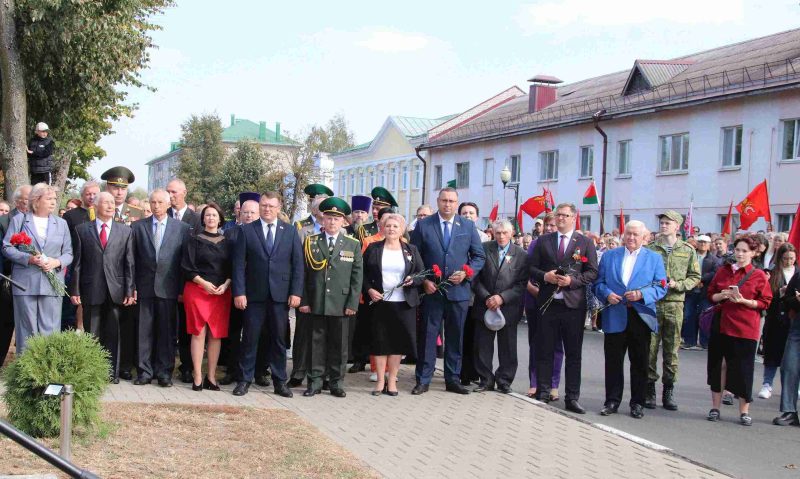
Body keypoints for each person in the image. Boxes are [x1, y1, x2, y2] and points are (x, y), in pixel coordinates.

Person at [410, 187, 485, 395]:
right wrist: (424, 280)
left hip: (458, 291)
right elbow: (414, 257)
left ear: (456, 202)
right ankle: (423, 379)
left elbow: (479, 257)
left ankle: (452, 379)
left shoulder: (468, 226)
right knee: (428, 336)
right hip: (432, 291)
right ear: (438, 201)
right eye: (444, 200)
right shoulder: (424, 225)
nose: (448, 204)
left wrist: (467, 273)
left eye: (452, 201)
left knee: (455, 337)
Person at [232, 192, 303, 398]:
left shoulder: (290, 232)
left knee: (279, 341)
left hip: (280, 297)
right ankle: (244, 380)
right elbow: (238, 265)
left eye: (271, 206)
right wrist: (239, 292)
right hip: (254, 295)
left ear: (278, 208)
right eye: (264, 205)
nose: (267, 209)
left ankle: (280, 382)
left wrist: (296, 292)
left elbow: (298, 265)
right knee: (250, 339)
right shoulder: (246, 231)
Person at [594, 221, 668, 418]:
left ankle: (637, 403)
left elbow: (661, 286)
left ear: (645, 237)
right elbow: (598, 283)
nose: (631, 238)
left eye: (636, 234)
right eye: (628, 234)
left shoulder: (654, 258)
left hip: (640, 316)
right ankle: (611, 401)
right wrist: (607, 293)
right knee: (613, 362)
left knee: (640, 362)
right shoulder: (610, 256)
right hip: (614, 315)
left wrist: (642, 294)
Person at [529, 203, 598, 413]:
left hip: (573, 305)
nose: (560, 219)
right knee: (545, 349)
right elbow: (530, 267)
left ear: (574, 218)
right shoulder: (543, 241)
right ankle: (543, 391)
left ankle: (572, 397)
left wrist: (572, 281)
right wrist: (544, 276)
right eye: (558, 215)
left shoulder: (585, 242)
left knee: (573, 353)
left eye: (565, 215)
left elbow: (592, 272)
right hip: (548, 303)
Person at [299, 197, 363, 398]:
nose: (332, 222)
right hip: (317, 301)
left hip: (341, 303)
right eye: (328, 218)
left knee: (339, 346)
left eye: (336, 219)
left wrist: (353, 303)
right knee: (316, 344)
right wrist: (304, 301)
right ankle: (315, 382)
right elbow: (303, 274)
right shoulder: (311, 242)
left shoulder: (352, 244)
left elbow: (356, 277)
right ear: (322, 220)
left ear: (344, 221)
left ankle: (336, 382)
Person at [68, 192, 135, 383]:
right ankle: (91, 373)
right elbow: (77, 263)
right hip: (91, 289)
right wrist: (75, 290)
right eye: (105, 202)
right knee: (92, 332)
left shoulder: (125, 231)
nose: (110, 206)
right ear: (95, 206)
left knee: (113, 333)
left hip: (116, 290)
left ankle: (111, 373)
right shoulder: (82, 230)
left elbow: (129, 263)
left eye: (112, 203)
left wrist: (129, 290)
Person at [706, 235, 772, 425]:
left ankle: (744, 411)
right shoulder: (723, 271)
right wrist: (723, 295)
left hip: (746, 327)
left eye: (745, 251)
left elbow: (765, 301)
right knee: (719, 366)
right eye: (738, 250)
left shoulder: (758, 275)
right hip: (721, 324)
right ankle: (715, 408)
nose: (740, 254)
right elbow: (710, 295)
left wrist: (744, 301)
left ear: (753, 253)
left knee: (744, 369)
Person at [2, 183, 72, 354]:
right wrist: (29, 259)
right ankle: (27, 374)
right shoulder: (19, 220)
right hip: (25, 283)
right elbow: (6, 247)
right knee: (27, 331)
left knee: (50, 329)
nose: (53, 202)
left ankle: (47, 372)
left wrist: (56, 262)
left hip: (52, 283)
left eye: (55, 199)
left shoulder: (61, 224)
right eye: (49, 199)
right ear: (36, 200)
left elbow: (69, 253)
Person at [131, 190, 190, 387]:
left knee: (167, 333)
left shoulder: (182, 228)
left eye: (159, 202)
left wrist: (182, 289)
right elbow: (132, 260)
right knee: (143, 332)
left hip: (169, 288)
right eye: (152, 202)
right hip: (145, 287)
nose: (156, 206)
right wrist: (133, 286)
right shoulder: (138, 227)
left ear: (168, 204)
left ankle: (164, 373)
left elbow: (184, 262)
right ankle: (144, 371)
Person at [362, 213, 424, 396]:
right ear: (382, 227)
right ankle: (380, 381)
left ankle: (392, 381)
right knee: (380, 342)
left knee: (397, 343)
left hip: (403, 303)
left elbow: (421, 273)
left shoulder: (411, 250)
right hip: (380, 302)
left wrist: (413, 279)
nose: (391, 229)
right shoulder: (373, 248)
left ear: (402, 229)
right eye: (388, 226)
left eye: (395, 226)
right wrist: (369, 290)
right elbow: (361, 274)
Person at [645, 210, 701, 411]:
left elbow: (695, 276)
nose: (663, 225)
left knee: (671, 350)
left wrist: (679, 284)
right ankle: (649, 387)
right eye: (662, 222)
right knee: (650, 348)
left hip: (675, 303)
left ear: (677, 226)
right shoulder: (651, 248)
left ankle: (668, 389)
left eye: (668, 222)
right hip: (653, 303)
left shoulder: (687, 250)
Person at [471, 219, 527, 394]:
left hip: (508, 306)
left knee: (508, 346)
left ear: (511, 234)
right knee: (483, 345)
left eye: (505, 233)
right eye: (498, 233)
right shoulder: (484, 248)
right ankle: (485, 380)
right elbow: (475, 277)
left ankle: (504, 380)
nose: (501, 236)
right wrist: (487, 297)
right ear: (493, 233)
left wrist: (502, 298)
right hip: (485, 303)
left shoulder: (521, 254)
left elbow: (522, 283)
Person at [181, 203, 232, 392]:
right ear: (203, 219)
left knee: (216, 334)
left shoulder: (228, 242)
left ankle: (211, 376)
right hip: (198, 290)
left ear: (220, 219)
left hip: (220, 292)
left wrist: (226, 285)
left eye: (214, 215)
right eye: (207, 215)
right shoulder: (193, 240)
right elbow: (187, 267)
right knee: (198, 332)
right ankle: (197, 375)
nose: (211, 218)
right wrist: (203, 284)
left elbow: (232, 268)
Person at [101, 167, 141, 379]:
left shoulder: (137, 214)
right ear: (107, 187)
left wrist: (134, 285)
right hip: (102, 278)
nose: (119, 192)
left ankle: (125, 365)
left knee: (127, 324)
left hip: (127, 277)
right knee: (104, 325)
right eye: (115, 187)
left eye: (123, 188)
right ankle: (103, 365)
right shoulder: (95, 211)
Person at [165, 178, 201, 383]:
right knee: (168, 327)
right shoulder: (163, 215)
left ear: (184, 192)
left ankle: (187, 367)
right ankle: (166, 364)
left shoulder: (195, 219)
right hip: (165, 281)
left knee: (187, 329)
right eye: (168, 191)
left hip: (188, 282)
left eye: (174, 192)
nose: (170, 196)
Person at [524, 213, 564, 400]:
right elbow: (527, 270)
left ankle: (553, 384)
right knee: (536, 343)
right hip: (535, 299)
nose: (549, 228)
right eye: (546, 225)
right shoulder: (535, 243)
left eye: (553, 225)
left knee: (556, 344)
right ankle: (535, 382)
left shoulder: (565, 245)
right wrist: (533, 289)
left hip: (559, 301)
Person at [758, 244, 797, 399]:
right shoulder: (772, 274)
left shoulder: (798, 273)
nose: (789, 262)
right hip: (775, 319)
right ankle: (767, 384)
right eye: (785, 258)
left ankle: (794, 386)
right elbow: (765, 297)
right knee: (772, 352)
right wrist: (779, 293)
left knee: (793, 355)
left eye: (792, 259)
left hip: (794, 318)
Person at [458, 201, 488, 386]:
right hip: (460, 291)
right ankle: (462, 372)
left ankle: (476, 371)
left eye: (471, 213)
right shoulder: (455, 233)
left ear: (477, 216)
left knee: (477, 336)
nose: (468, 216)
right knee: (461, 333)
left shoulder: (485, 238)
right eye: (464, 213)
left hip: (479, 293)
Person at [682, 235, 723, 350]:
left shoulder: (714, 259)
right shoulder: (690, 256)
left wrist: (701, 280)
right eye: (700, 242)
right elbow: (683, 270)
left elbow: (715, 273)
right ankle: (690, 341)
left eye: (705, 242)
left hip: (705, 292)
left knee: (705, 316)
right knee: (689, 315)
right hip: (691, 291)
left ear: (709, 244)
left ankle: (705, 342)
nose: (702, 244)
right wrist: (693, 281)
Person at [774, 270, 800, 425]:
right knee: (789, 367)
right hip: (797, 327)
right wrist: (796, 300)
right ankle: (789, 411)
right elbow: (786, 298)